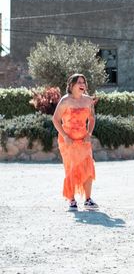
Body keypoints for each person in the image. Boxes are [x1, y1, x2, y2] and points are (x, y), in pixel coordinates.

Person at [52, 74, 98, 211]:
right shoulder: (65, 101)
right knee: (71, 168)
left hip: (84, 140)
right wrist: (65, 136)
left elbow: (92, 118)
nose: (82, 84)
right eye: (79, 82)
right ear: (71, 85)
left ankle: (88, 200)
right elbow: (55, 119)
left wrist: (89, 133)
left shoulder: (89, 100)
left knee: (88, 167)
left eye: (83, 82)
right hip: (68, 141)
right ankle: (72, 200)